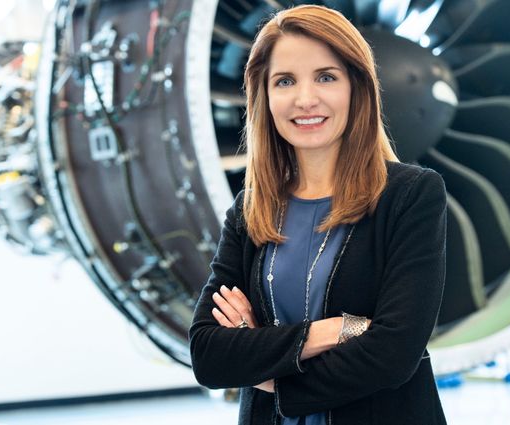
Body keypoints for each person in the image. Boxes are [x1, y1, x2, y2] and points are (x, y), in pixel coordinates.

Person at [189, 4, 447, 425]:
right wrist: (333, 332)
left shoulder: (410, 195)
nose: (305, 99)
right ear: (265, 96)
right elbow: (208, 355)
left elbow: (394, 354)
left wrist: (268, 372)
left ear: (355, 88)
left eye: (326, 77)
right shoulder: (250, 210)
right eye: (285, 80)